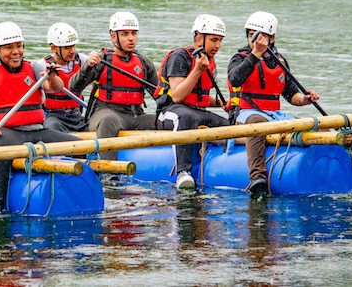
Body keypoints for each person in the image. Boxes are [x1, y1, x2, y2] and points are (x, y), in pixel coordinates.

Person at [0, 21, 80, 215]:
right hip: (6, 134)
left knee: (79, 147)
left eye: (19, 46)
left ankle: (84, 191)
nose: (16, 52)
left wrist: (52, 75)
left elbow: (53, 87)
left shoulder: (35, 67)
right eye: (9, 47)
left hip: (37, 131)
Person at [227, 11, 319, 197]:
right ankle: (257, 177)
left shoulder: (279, 60)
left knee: (313, 124)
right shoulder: (240, 57)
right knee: (257, 124)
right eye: (252, 35)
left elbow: (291, 94)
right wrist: (255, 55)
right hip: (247, 114)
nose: (256, 40)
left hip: (274, 116)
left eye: (260, 36)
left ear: (272, 38)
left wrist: (304, 100)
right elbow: (234, 79)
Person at [68, 11, 158, 161]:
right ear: (113, 36)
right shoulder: (101, 60)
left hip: (136, 115)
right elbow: (74, 87)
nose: (131, 38)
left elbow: (160, 97)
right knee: (108, 121)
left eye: (134, 33)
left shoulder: (144, 63)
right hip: (106, 112)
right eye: (124, 34)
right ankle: (110, 174)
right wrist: (88, 67)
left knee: (164, 119)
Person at [154, 14, 229, 189]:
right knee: (186, 117)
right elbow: (178, 96)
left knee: (227, 124)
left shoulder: (209, 62)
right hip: (170, 112)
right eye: (213, 40)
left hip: (196, 112)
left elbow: (200, 96)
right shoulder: (180, 57)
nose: (218, 45)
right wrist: (196, 70)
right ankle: (183, 172)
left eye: (220, 41)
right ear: (198, 39)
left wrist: (221, 104)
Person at [39, 22, 89, 132]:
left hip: (76, 115)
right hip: (53, 116)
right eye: (67, 47)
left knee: (94, 125)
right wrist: (51, 78)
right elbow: (48, 87)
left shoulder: (83, 60)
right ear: (53, 48)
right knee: (53, 127)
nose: (72, 51)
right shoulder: (43, 65)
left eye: (73, 46)